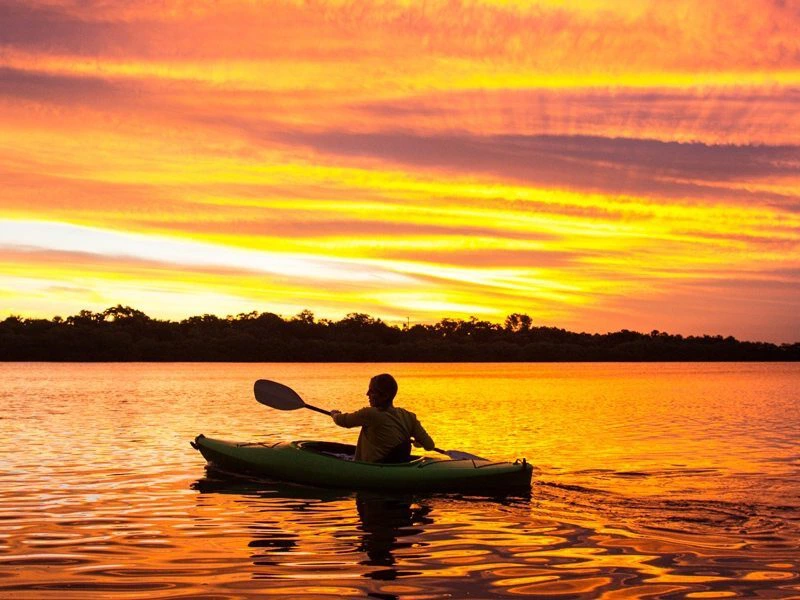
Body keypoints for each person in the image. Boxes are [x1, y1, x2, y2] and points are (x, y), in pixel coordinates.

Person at [330, 373, 435, 463]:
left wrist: (334, 414)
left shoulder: (370, 413)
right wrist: (418, 442)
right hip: (398, 465)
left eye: (372, 391)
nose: (367, 394)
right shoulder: (409, 416)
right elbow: (429, 445)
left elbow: (344, 421)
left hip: (374, 467)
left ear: (384, 396)